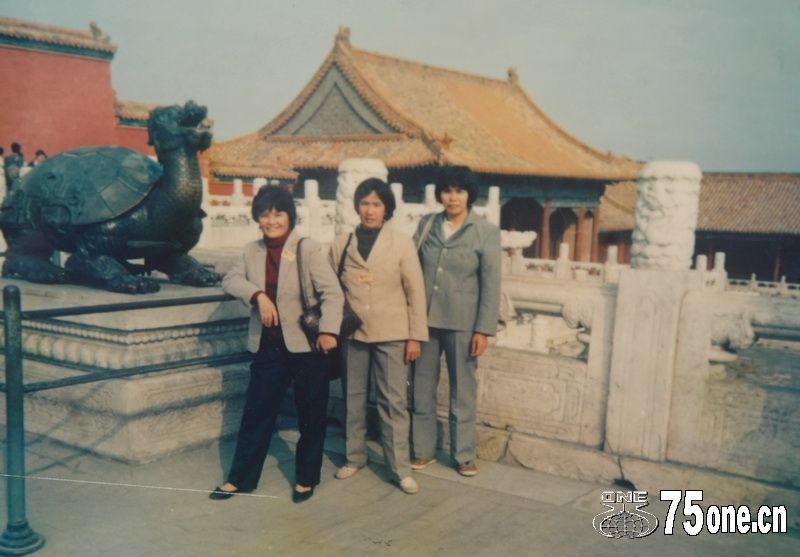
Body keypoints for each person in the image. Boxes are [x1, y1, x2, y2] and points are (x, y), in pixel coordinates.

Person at [211, 185, 344, 503]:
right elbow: (230, 280)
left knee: (310, 414)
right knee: (256, 412)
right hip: (268, 346)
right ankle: (240, 478)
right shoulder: (251, 251)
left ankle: (306, 479)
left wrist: (329, 331)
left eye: (278, 213)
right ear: (257, 217)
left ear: (290, 216)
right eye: (265, 214)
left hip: (307, 346)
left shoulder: (307, 248)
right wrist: (257, 295)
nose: (271, 221)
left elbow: (333, 293)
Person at [331, 178, 428, 494]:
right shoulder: (342, 243)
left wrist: (415, 337)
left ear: (387, 209)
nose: (370, 210)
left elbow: (415, 292)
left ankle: (399, 469)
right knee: (353, 398)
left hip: (392, 333)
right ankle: (354, 457)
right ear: (357, 206)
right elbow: (330, 288)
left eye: (376, 204)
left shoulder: (401, 243)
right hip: (353, 334)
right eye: (365, 203)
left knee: (393, 402)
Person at [410, 166, 501, 477]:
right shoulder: (427, 224)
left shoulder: (485, 231)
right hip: (425, 321)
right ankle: (422, 449)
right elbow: (411, 269)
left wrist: (483, 329)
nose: (453, 197)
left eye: (459, 191)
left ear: (469, 195)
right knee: (421, 387)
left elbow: (491, 284)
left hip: (463, 323)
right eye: (447, 191)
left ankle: (463, 454)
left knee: (463, 390)